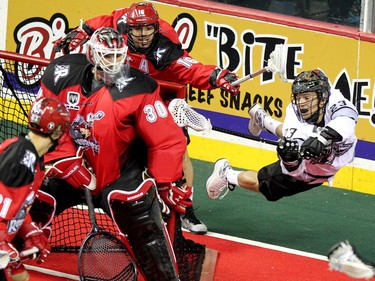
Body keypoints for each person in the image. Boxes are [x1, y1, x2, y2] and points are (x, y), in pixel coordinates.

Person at [53, 2, 240, 234]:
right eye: (137, 29)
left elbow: (190, 68)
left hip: (159, 95)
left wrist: (217, 76)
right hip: (125, 92)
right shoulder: (122, 21)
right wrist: (85, 29)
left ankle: (186, 210)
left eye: (148, 29)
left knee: (178, 149)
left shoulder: (166, 44)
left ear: (156, 28)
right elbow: (106, 20)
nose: (143, 35)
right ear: (129, 28)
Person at [39, 27, 189, 280]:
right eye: (107, 57)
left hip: (120, 171)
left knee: (141, 217)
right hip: (75, 164)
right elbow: (44, 122)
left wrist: (166, 182)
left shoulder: (139, 88)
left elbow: (166, 140)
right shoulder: (60, 74)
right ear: (92, 55)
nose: (115, 63)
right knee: (32, 195)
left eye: (119, 56)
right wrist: (66, 161)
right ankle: (12, 254)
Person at [206, 69, 358, 202]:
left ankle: (262, 118)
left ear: (323, 97)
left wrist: (322, 138)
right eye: (298, 98)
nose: (301, 103)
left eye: (307, 97)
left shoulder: (335, 100)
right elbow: (293, 151)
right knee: (266, 186)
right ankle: (226, 173)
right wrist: (290, 158)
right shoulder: (294, 113)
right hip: (311, 169)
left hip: (328, 161)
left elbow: (347, 120)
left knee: (307, 134)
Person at [0, 97, 70, 281]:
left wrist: (30, 230)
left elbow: (16, 205)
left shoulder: (33, 160)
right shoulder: (24, 157)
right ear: (57, 133)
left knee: (21, 277)